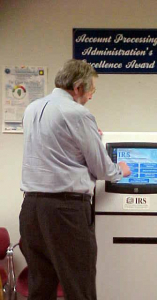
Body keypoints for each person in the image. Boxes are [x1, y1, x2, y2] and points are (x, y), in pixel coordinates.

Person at [19, 59, 131, 300]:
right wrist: (121, 170)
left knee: (40, 285)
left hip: (31, 209)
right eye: (92, 90)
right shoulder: (78, 113)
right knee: (79, 285)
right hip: (65, 211)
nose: (91, 96)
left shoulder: (32, 109)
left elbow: (54, 149)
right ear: (79, 87)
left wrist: (89, 138)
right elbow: (102, 169)